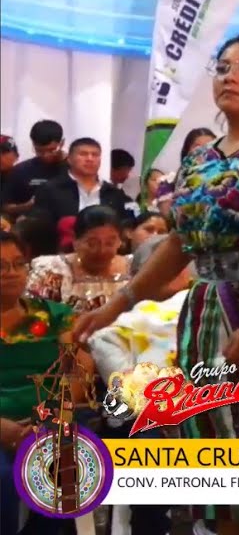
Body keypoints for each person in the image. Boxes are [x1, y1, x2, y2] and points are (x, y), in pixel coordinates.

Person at [73, 31, 239, 534]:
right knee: (214, 448)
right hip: (207, 309)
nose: (230, 75)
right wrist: (116, 304)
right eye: (224, 66)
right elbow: (180, 243)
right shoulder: (200, 161)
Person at [1, 229, 95, 535]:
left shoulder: (55, 316)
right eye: (1, 267)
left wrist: (52, 414)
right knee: (2, 479)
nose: (12, 274)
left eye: (18, 264)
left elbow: (78, 367)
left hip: (52, 420)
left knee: (61, 468)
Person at [32, 137, 132, 222]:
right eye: (83, 154)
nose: (90, 159)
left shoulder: (113, 193)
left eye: (95, 155)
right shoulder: (50, 190)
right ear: (69, 159)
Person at [1, 120, 67, 217]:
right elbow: (5, 207)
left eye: (52, 150)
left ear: (62, 143)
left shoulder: (75, 167)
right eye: (39, 151)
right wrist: (27, 206)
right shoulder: (22, 170)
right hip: (31, 225)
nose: (46, 155)